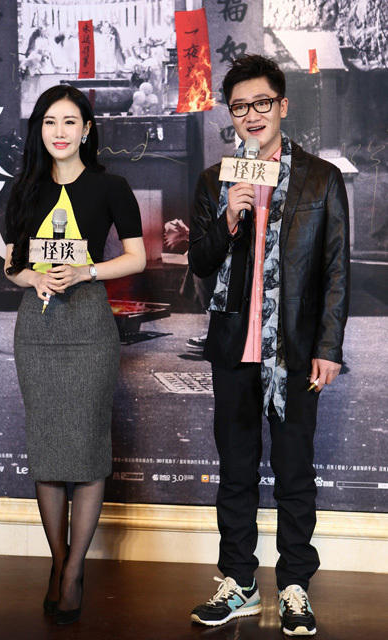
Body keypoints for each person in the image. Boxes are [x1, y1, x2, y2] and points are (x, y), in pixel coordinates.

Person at [188, 55, 349, 636]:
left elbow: (336, 270)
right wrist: (229, 217)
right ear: (230, 115)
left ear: (282, 105)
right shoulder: (216, 179)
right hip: (234, 345)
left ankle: (296, 584)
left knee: (294, 471)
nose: (251, 116)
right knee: (235, 470)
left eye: (261, 103)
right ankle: (239, 582)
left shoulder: (320, 178)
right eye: (239, 107)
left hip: (296, 349)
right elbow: (200, 262)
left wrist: (328, 347)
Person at [4, 85, 146, 625]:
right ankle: (59, 561)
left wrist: (86, 271)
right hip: (36, 329)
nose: (59, 132)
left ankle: (73, 572)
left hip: (88, 326)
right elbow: (12, 265)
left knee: (85, 447)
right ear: (38, 130)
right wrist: (32, 277)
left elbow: (136, 257)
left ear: (87, 129)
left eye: (69, 121)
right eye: (49, 122)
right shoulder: (25, 188)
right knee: (46, 446)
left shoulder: (111, 187)